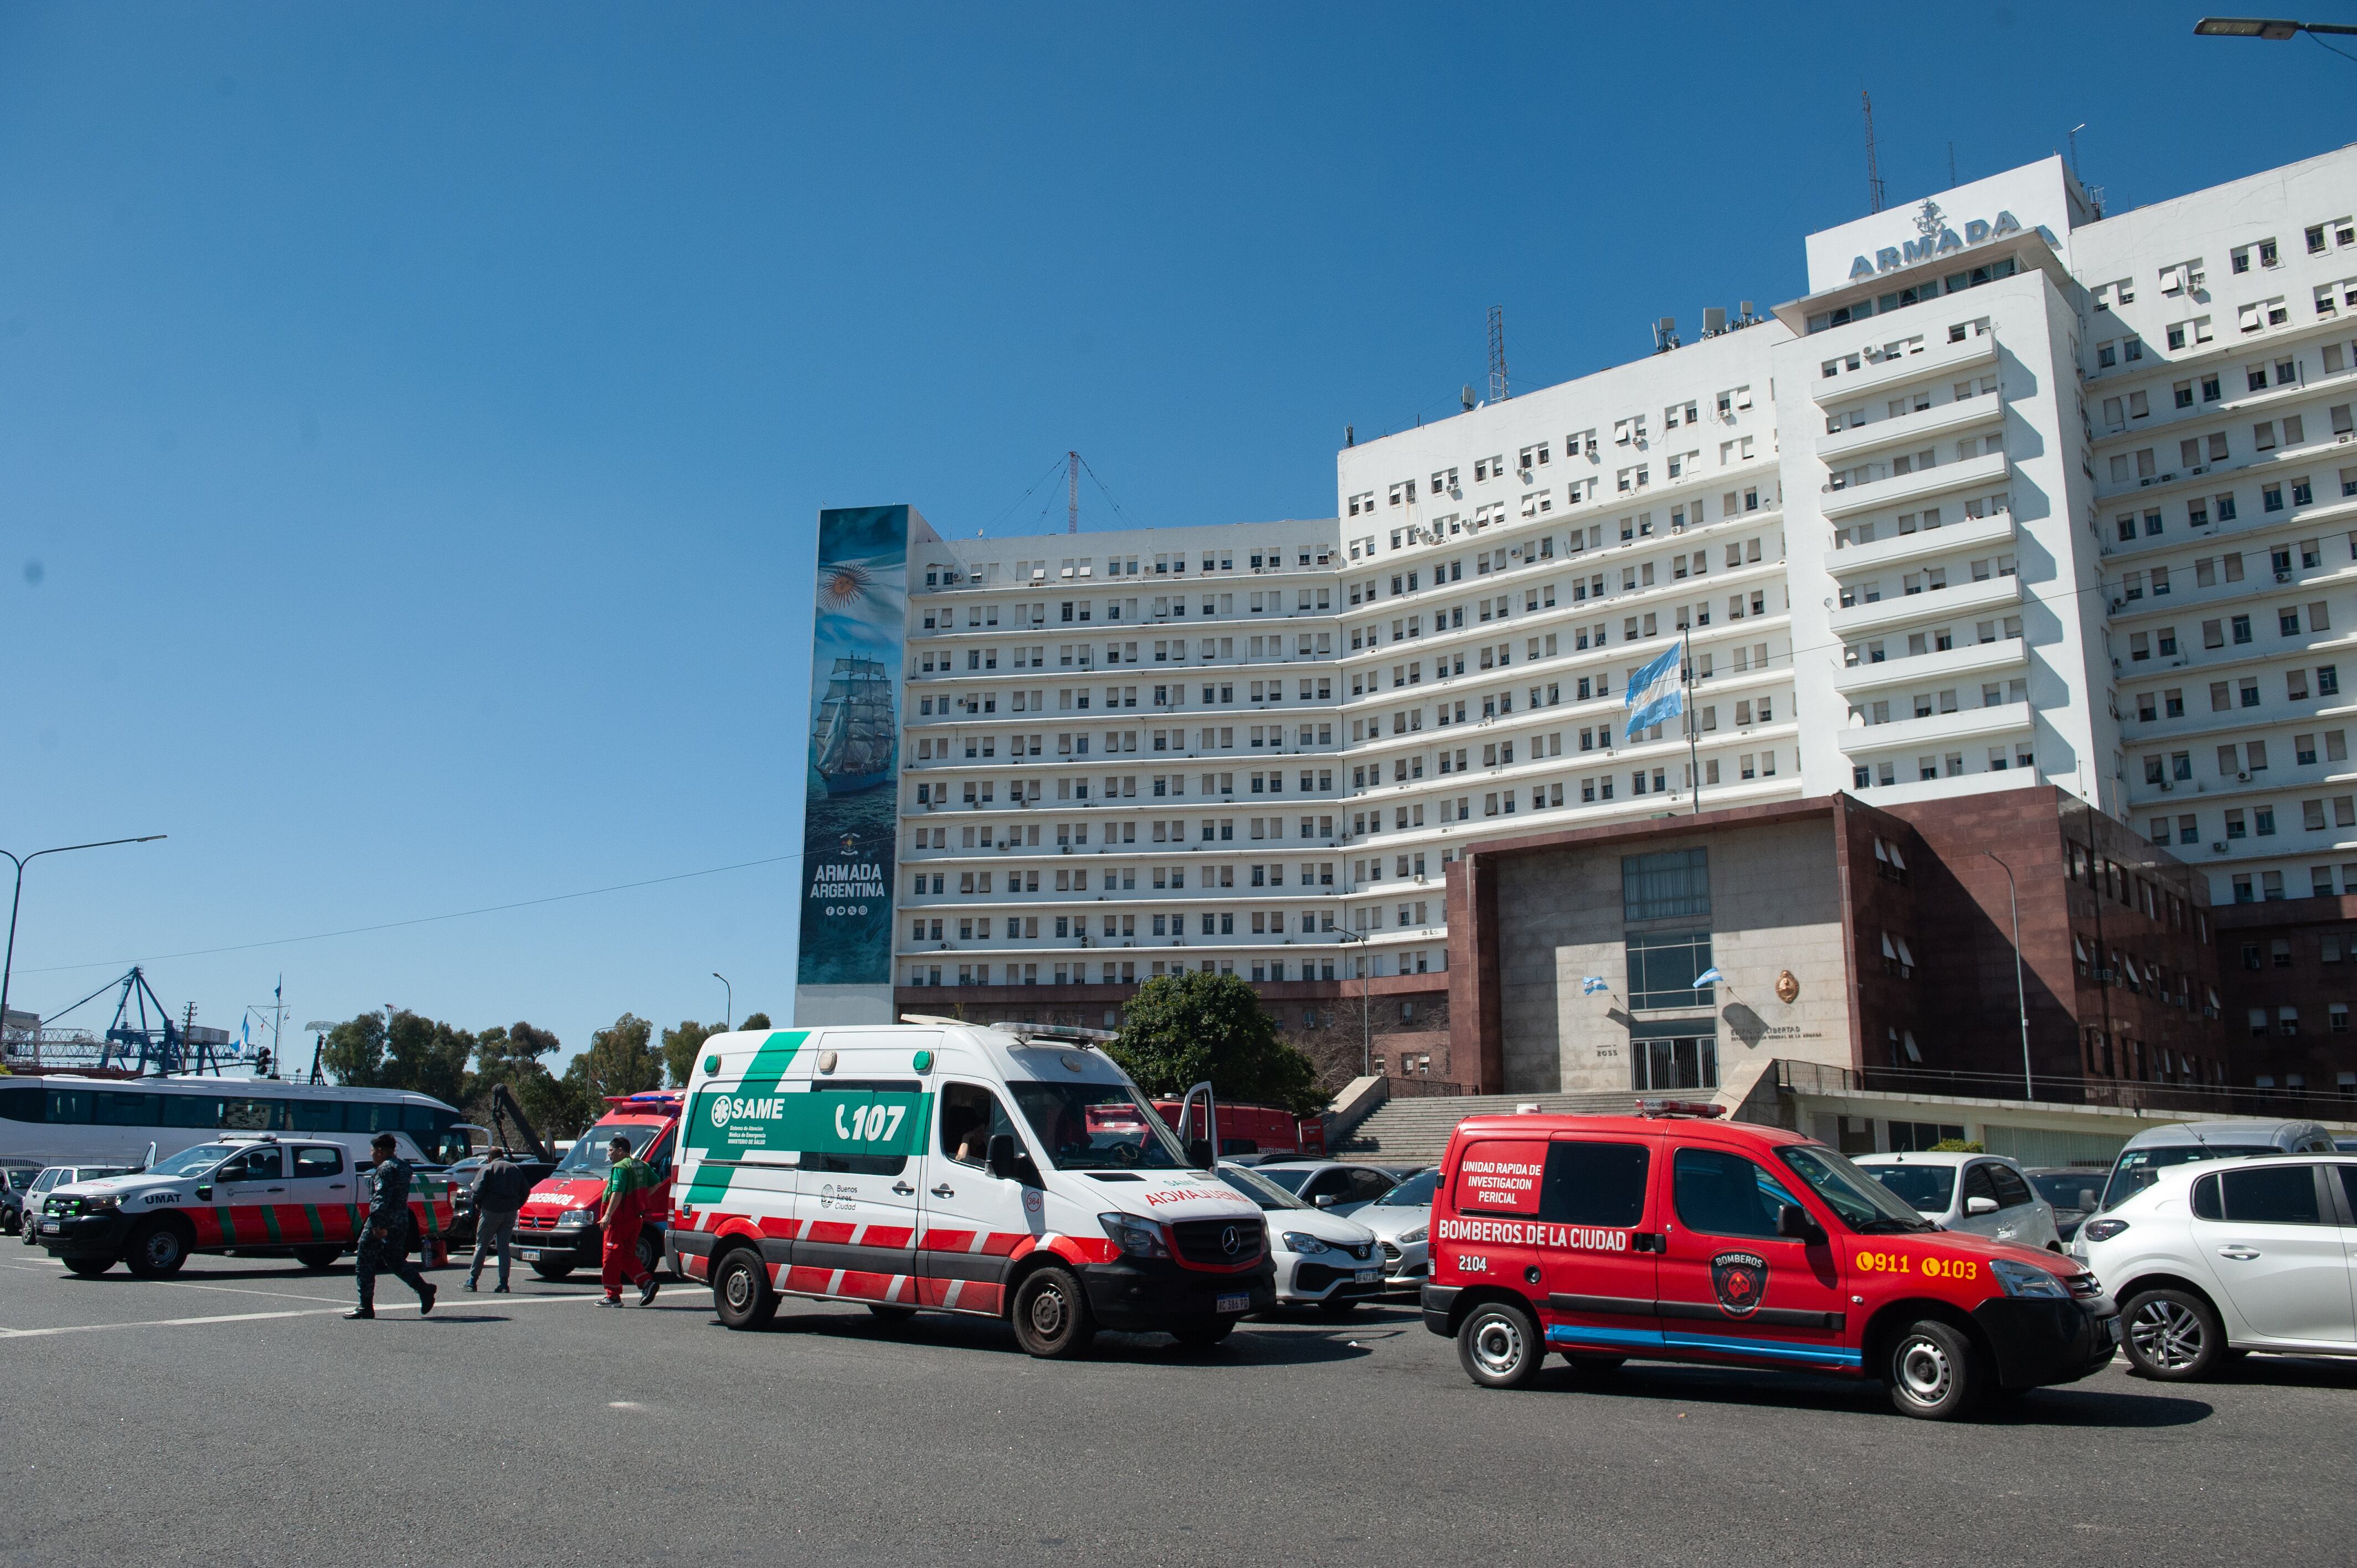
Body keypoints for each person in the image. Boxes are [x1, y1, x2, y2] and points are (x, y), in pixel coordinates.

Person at [347, 1133, 437, 1320]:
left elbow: (381, 1198)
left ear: (380, 1151)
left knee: (364, 1261)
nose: (372, 1155)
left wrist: (378, 1224)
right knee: (395, 1260)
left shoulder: (385, 1169)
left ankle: (366, 1306)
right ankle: (423, 1288)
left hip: (383, 1219)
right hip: (401, 1219)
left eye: (373, 1151)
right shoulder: (404, 1167)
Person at [596, 1134, 661, 1307]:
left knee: (610, 1258)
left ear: (620, 1150)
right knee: (626, 1255)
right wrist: (639, 1199)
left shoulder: (620, 1167)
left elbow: (617, 1192)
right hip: (635, 1219)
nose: (609, 1154)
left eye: (610, 1150)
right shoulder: (641, 1164)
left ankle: (613, 1296)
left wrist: (607, 1216)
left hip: (619, 1221)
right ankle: (647, 1283)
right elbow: (657, 1184)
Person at [466, 1146, 531, 1293]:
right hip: (510, 1212)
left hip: (491, 1210)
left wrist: (478, 1203)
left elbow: (477, 1190)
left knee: (482, 1245)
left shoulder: (488, 1169)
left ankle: (472, 1281)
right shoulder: (515, 1169)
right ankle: (503, 1283)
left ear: (490, 1157)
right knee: (503, 1247)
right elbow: (526, 1190)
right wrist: (517, 1205)